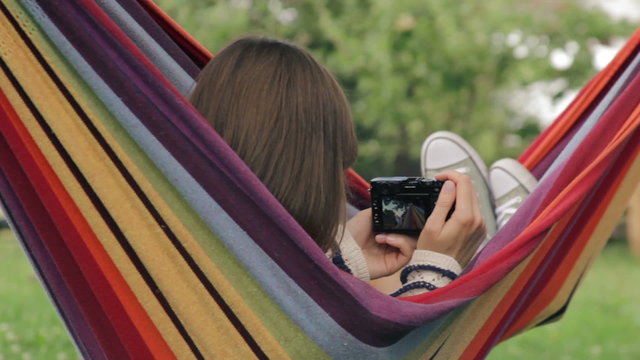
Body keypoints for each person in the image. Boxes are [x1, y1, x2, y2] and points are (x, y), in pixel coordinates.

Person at [189, 36, 536, 297]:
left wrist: (343, 259)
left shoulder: (184, 239)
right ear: (310, 171)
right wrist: (435, 270)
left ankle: (488, 255)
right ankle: (497, 263)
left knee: (383, 278)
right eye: (338, 165)